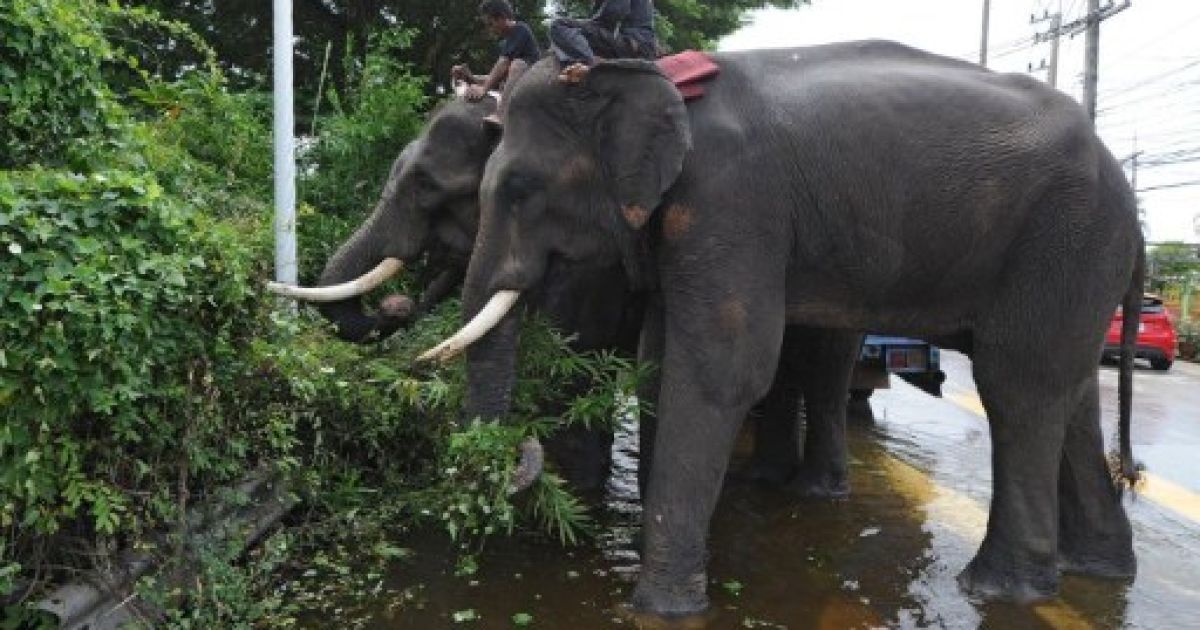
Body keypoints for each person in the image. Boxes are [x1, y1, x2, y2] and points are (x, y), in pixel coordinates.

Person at [452, 0, 541, 123]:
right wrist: (470, 77)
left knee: (517, 65)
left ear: (502, 17)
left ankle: (501, 113)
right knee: (499, 75)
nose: (490, 29)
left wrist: (483, 89)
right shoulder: (505, 43)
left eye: (490, 24)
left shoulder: (520, 29)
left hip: (532, 78)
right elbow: (497, 77)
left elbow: (503, 63)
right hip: (514, 82)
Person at [549, 0, 658, 82]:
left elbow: (613, 13)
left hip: (631, 44)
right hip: (642, 46)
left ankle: (589, 65)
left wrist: (586, 25)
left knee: (559, 25)